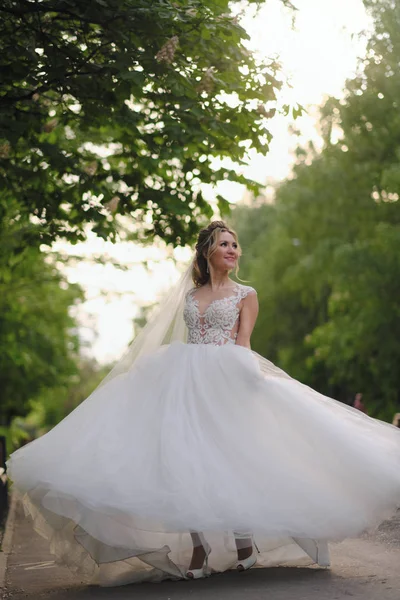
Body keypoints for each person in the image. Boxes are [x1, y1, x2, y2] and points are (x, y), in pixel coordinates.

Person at [7, 220, 400, 586]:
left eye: (234, 245)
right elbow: (187, 336)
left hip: (226, 379)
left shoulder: (247, 295)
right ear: (207, 253)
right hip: (184, 382)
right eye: (223, 245)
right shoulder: (191, 296)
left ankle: (244, 543)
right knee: (185, 461)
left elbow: (242, 342)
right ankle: (198, 545)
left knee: (233, 459)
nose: (232, 250)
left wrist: (248, 384)